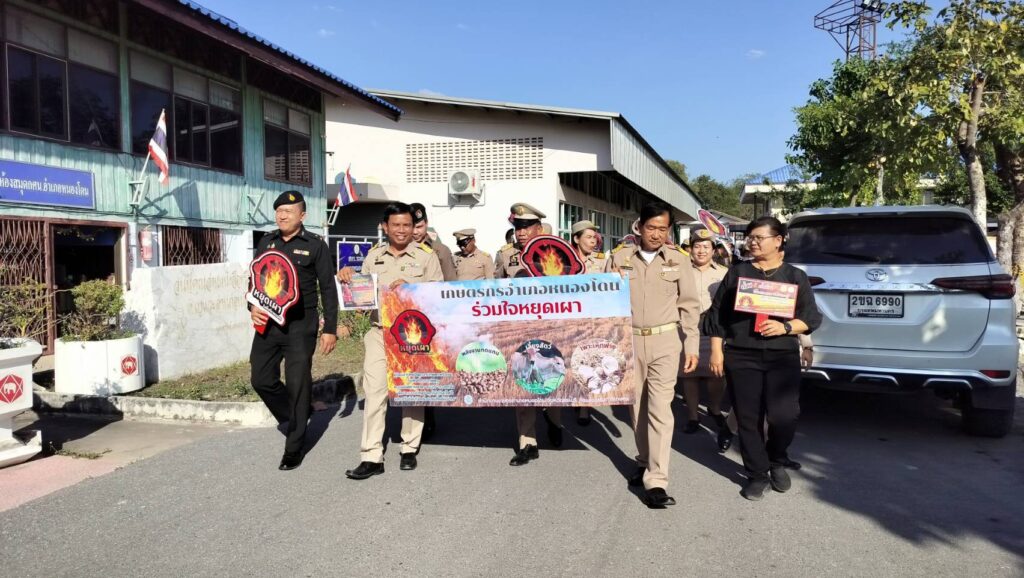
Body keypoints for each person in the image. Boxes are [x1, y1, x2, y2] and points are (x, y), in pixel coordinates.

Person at [708, 216, 822, 501]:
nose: (753, 242)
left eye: (759, 237)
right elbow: (718, 316)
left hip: (781, 356)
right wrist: (716, 351)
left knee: (785, 415)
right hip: (741, 354)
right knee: (748, 418)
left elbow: (810, 318)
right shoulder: (738, 273)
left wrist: (786, 327)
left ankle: (776, 459)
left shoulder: (795, 276)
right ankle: (757, 473)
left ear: (779, 240)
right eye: (750, 237)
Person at [339, 202, 443, 480]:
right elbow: (360, 296)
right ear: (385, 227)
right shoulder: (374, 256)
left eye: (407, 225)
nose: (401, 230)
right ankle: (371, 456)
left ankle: (409, 448)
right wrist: (347, 278)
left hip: (413, 334)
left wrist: (412, 290)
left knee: (411, 391)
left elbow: (439, 296)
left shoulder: (426, 257)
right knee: (374, 392)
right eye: (396, 225)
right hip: (379, 332)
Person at [607, 201, 700, 508]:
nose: (657, 234)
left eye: (663, 228)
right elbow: (605, 302)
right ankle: (644, 459)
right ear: (640, 226)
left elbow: (690, 306)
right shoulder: (620, 257)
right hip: (629, 342)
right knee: (636, 409)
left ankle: (657, 480)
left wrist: (692, 346)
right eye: (652, 228)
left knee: (660, 409)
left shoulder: (678, 260)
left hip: (665, 341)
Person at [249, 191, 339, 471]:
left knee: (298, 383)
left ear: (302, 215)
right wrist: (251, 306)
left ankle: (294, 447)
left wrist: (330, 329)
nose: (282, 215)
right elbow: (255, 278)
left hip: (301, 324)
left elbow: (328, 287)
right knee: (261, 379)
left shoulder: (315, 245)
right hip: (269, 322)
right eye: (279, 211)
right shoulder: (267, 241)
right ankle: (297, 413)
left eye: (289, 211)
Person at [495, 202, 564, 465]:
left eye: (526, 227)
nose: (521, 232)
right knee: (522, 380)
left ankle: (555, 421)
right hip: (520, 326)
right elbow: (495, 287)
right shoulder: (506, 255)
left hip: (552, 324)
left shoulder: (554, 251)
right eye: (518, 227)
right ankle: (528, 443)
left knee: (553, 378)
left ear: (539, 228)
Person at [678, 228, 734, 451]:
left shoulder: (724, 273)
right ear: (690, 249)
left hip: (714, 326)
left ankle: (714, 408)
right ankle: (693, 416)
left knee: (716, 372)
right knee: (689, 373)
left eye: (706, 247)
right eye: (697, 246)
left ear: (714, 250)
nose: (701, 251)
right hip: (686, 325)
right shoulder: (680, 271)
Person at [569, 219, 608, 426]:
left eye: (595, 237)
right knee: (572, 361)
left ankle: (584, 406)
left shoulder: (601, 262)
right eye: (588, 237)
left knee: (588, 362)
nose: (593, 241)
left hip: (592, 319)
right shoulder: (564, 261)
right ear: (576, 239)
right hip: (570, 319)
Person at [410, 202, 457, 282]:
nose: (415, 232)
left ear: (426, 223)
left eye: (419, 227)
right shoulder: (400, 249)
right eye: (411, 227)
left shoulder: (441, 250)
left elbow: (451, 284)